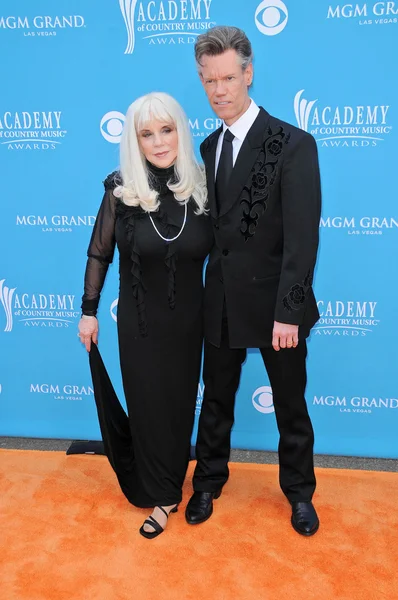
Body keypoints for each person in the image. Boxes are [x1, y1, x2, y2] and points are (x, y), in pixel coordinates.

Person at [185, 26, 322, 536]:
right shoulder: (207, 145)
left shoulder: (292, 143)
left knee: (291, 405)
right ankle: (206, 484)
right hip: (220, 301)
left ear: (248, 73)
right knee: (216, 399)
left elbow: (302, 239)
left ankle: (301, 495)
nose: (218, 90)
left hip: (275, 306)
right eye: (207, 80)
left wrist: (289, 309)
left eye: (227, 77)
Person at [78, 92, 213, 539]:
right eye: (146, 133)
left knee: (176, 408)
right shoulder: (121, 189)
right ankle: (163, 495)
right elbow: (99, 253)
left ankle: (172, 479)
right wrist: (89, 311)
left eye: (166, 130)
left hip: (190, 324)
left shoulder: (203, 185)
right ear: (135, 140)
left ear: (180, 129)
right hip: (138, 324)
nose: (158, 142)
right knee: (149, 407)